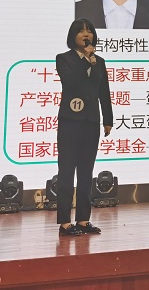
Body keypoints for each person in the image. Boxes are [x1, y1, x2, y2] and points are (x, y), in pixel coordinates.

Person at [55, 18, 113, 236]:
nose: (86, 35)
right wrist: (87, 60)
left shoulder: (100, 62)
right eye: (81, 31)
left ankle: (82, 220)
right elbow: (71, 81)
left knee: (86, 172)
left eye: (89, 31)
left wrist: (108, 119)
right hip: (70, 122)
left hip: (91, 122)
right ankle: (64, 222)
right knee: (67, 171)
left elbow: (103, 92)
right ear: (73, 36)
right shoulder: (64, 59)